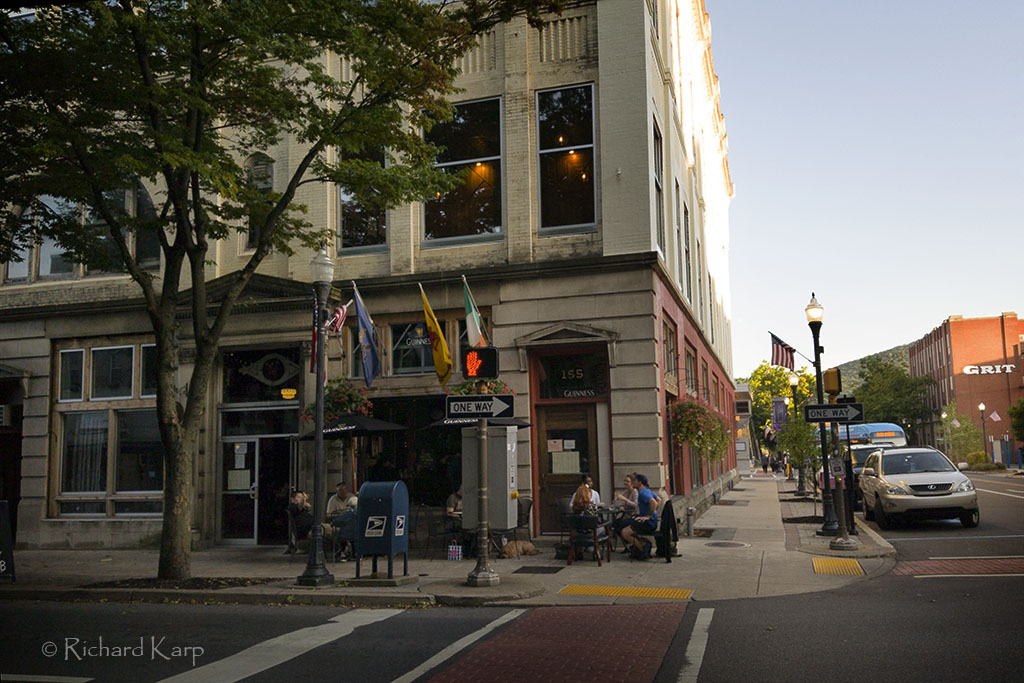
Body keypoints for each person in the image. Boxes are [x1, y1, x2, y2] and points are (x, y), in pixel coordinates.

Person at [620, 473, 658, 559]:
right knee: (625, 523)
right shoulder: (647, 490)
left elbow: (654, 502)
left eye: (634, 481)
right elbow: (658, 499)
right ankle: (641, 544)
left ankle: (642, 548)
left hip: (648, 523)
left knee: (625, 532)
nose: (633, 482)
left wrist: (649, 515)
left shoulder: (642, 493)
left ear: (640, 482)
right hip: (650, 521)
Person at [323, 482, 359, 559]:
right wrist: (340, 515)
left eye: (345, 489)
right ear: (337, 491)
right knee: (340, 530)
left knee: (353, 528)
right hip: (340, 523)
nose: (343, 492)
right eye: (341, 490)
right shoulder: (333, 499)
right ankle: (343, 550)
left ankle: (349, 551)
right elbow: (329, 515)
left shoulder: (351, 497)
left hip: (351, 523)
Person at [612, 473, 639, 548]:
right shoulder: (625, 492)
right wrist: (619, 503)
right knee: (614, 524)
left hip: (633, 516)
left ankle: (630, 544)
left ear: (632, 483)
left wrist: (625, 499)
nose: (625, 483)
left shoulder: (635, 492)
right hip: (625, 515)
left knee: (621, 527)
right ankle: (627, 544)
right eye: (625, 481)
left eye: (627, 481)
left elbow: (635, 505)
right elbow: (619, 504)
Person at [286, 489, 313, 554]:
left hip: (311, 528)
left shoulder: (302, 509)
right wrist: (304, 499)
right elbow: (300, 506)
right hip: (305, 533)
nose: (301, 499)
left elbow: (308, 506)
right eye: (299, 497)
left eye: (301, 497)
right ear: (292, 499)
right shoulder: (292, 507)